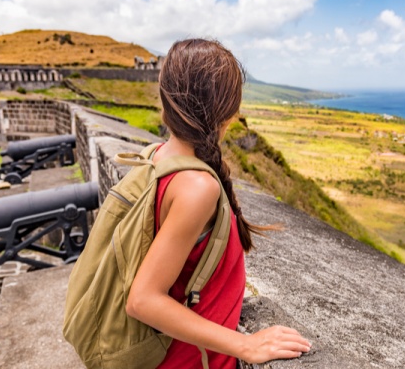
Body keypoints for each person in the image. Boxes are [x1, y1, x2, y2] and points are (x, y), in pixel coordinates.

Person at [125, 39, 312, 368]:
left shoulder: (160, 157)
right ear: (227, 112)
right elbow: (142, 300)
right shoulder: (198, 188)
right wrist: (245, 345)